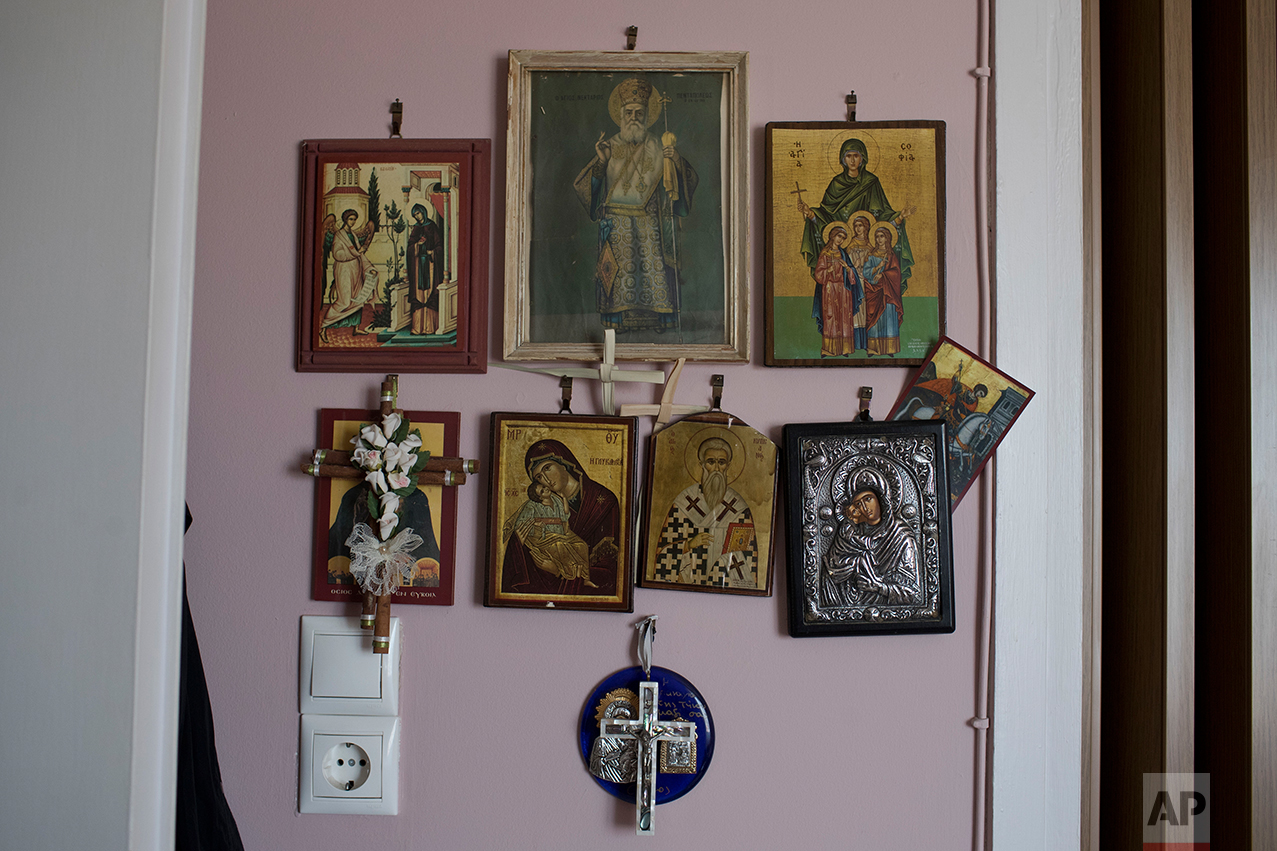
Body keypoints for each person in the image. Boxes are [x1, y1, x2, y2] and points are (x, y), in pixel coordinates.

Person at [573, 77, 698, 334]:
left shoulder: (659, 145)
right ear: (620, 115)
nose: (633, 117)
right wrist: (600, 162)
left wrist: (674, 161)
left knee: (653, 271)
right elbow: (588, 187)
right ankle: (618, 320)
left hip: (650, 221)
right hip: (617, 223)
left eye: (638, 113)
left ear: (647, 115)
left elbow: (681, 182)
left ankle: (659, 319)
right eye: (628, 113)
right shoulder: (610, 146)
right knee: (620, 275)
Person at [501, 440, 621, 596]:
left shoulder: (603, 502)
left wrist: (558, 571)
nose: (546, 479)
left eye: (547, 468)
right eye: (538, 477)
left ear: (564, 463)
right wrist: (517, 543)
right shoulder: (539, 508)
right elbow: (519, 573)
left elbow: (610, 572)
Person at [797, 138, 915, 295]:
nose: (852, 160)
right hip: (844, 250)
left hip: (868, 251)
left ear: (862, 158)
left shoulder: (872, 182)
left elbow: (882, 217)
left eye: (856, 156)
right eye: (848, 156)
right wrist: (810, 214)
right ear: (843, 159)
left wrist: (899, 217)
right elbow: (827, 216)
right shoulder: (836, 184)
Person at [652, 436, 757, 588]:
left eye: (721, 462)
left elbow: (748, 559)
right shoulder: (684, 503)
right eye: (710, 462)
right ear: (701, 464)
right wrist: (688, 544)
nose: (716, 468)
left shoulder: (738, 507)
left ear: (728, 465)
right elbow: (663, 552)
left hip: (723, 583)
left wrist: (721, 563)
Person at [821, 469, 921, 608]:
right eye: (858, 504)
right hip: (849, 604)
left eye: (868, 499)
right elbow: (831, 572)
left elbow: (914, 595)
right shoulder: (848, 534)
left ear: (881, 499)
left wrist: (878, 587)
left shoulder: (901, 537)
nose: (864, 507)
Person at [327, 483, 439, 585]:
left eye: (399, 504)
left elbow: (425, 544)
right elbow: (340, 539)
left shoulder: (417, 498)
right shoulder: (356, 495)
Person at [501, 482, 595, 586]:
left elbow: (565, 515)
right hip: (544, 538)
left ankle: (586, 579)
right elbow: (520, 523)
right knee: (560, 547)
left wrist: (564, 499)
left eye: (544, 487)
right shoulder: (531, 506)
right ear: (539, 497)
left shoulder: (556, 500)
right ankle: (570, 576)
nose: (546, 489)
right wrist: (536, 523)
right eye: (542, 491)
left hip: (562, 534)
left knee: (583, 546)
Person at [322, 209, 378, 337]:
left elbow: (360, 254)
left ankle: (356, 327)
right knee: (344, 301)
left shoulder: (353, 234)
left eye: (354, 219)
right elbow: (338, 254)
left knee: (358, 299)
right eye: (351, 219)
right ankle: (323, 327)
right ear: (345, 220)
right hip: (344, 270)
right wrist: (357, 252)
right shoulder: (339, 235)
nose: (353, 222)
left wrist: (370, 268)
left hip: (356, 270)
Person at [862, 222, 905, 356]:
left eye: (881, 236)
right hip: (873, 291)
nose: (879, 239)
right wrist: (877, 268)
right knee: (874, 321)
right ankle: (873, 349)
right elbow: (865, 272)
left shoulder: (891, 256)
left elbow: (896, 273)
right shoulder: (871, 255)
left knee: (888, 318)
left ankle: (889, 348)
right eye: (877, 236)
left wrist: (884, 275)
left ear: (887, 238)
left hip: (887, 293)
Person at [406, 203, 442, 335]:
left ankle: (429, 327)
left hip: (430, 265)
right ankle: (417, 328)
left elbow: (439, 246)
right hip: (417, 267)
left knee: (429, 293)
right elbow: (409, 248)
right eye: (415, 215)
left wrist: (431, 253)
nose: (417, 217)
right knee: (419, 294)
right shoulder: (415, 229)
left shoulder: (432, 226)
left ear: (424, 212)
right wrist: (417, 245)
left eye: (418, 213)